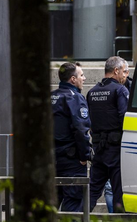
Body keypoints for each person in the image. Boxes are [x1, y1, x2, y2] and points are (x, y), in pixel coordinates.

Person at [87, 56, 130, 212]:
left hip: (99, 149)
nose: (126, 75)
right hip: (115, 150)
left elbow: (89, 122)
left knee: (92, 192)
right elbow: (124, 119)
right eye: (125, 71)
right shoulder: (120, 90)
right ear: (116, 71)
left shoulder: (92, 92)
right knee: (119, 192)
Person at [51, 62, 90, 212]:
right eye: (81, 75)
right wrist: (84, 155)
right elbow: (81, 129)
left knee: (52, 201)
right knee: (73, 204)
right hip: (71, 161)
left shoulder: (52, 97)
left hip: (53, 159)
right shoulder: (75, 98)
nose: (84, 78)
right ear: (73, 79)